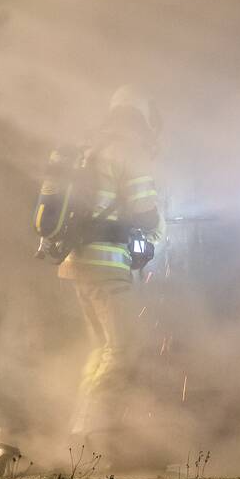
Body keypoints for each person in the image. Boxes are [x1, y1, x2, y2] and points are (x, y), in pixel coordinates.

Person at [62, 86, 165, 443]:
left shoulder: (92, 149)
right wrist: (156, 220)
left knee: (102, 348)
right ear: (141, 119)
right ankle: (92, 434)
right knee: (123, 348)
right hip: (106, 264)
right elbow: (145, 211)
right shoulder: (129, 149)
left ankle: (80, 427)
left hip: (79, 261)